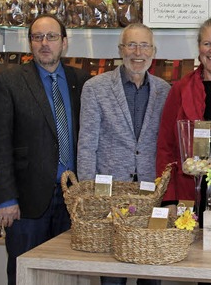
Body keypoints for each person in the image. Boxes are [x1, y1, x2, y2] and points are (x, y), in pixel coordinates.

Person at [0, 14, 91, 285]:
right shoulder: (8, 82)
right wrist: (6, 199)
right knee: (26, 274)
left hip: (73, 199)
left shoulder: (81, 81)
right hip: (26, 201)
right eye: (37, 37)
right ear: (30, 43)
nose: (45, 43)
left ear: (64, 43)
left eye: (52, 37)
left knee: (67, 274)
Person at [76, 23, 169, 285]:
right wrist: (88, 194)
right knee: (113, 274)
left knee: (151, 269)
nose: (138, 52)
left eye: (144, 45)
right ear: (120, 50)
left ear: (154, 51)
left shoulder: (165, 90)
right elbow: (87, 144)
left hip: (151, 193)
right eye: (131, 45)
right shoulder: (96, 88)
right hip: (110, 195)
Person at [156, 17, 211, 217]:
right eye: (207, 43)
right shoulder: (180, 89)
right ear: (199, 47)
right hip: (187, 195)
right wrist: (169, 198)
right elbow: (166, 146)